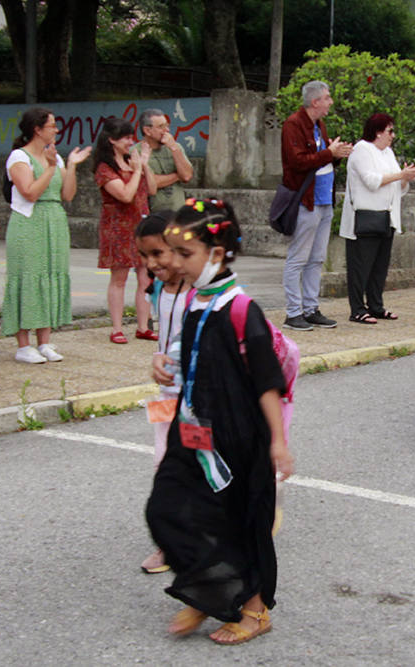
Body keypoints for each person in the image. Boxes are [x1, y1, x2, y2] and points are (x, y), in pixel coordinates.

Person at [146, 198, 293, 645]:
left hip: (237, 436)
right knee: (169, 508)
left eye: (184, 254)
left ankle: (254, 609)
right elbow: (184, 354)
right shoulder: (194, 301)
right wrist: (162, 364)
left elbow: (267, 382)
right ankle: (208, 591)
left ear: (215, 254)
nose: (174, 263)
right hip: (192, 429)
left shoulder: (240, 309)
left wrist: (278, 442)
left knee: (237, 522)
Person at [3, 107, 91, 363]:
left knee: (50, 275)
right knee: (29, 276)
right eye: (52, 126)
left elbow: (68, 195)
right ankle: (23, 344)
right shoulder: (19, 156)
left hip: (54, 220)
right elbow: (29, 192)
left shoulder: (55, 157)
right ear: (37, 129)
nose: (57, 130)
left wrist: (71, 166)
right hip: (29, 221)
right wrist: (51, 168)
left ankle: (44, 342)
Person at [134, 210, 185, 575]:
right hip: (166, 392)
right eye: (145, 256)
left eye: (158, 254)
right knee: (163, 463)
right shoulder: (158, 290)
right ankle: (170, 544)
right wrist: (158, 358)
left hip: (197, 397)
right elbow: (163, 335)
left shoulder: (199, 291)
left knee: (199, 463)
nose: (152, 264)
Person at [280, 80, 353, 331]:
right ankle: (293, 312)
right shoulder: (293, 125)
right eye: (327, 97)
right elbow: (298, 162)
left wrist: (338, 154)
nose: (330, 102)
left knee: (317, 258)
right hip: (305, 201)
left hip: (324, 199)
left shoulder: (319, 125)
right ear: (315, 102)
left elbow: (324, 159)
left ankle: (311, 309)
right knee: (298, 258)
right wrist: (329, 154)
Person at [340, 113, 415, 324]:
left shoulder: (388, 153)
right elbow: (371, 181)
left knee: (379, 266)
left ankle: (376, 305)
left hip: (387, 217)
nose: (392, 135)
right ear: (377, 132)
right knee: (360, 266)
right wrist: (400, 176)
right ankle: (357, 308)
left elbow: (397, 188)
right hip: (364, 218)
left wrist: (405, 178)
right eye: (389, 131)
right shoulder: (362, 149)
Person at [93, 115, 157, 344]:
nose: (131, 142)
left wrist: (144, 166)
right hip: (117, 227)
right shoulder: (104, 167)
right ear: (112, 140)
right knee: (119, 278)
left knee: (145, 277)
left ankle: (143, 326)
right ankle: (117, 328)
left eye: (131, 137)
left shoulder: (134, 160)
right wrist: (137, 170)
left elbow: (152, 189)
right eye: (126, 138)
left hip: (140, 225)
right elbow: (125, 195)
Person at [137, 108, 193, 211]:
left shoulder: (176, 147)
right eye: (161, 127)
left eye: (167, 126)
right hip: (151, 215)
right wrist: (177, 175)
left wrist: (174, 148)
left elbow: (186, 176)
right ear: (147, 131)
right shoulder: (135, 152)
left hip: (177, 214)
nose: (167, 130)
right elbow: (150, 183)